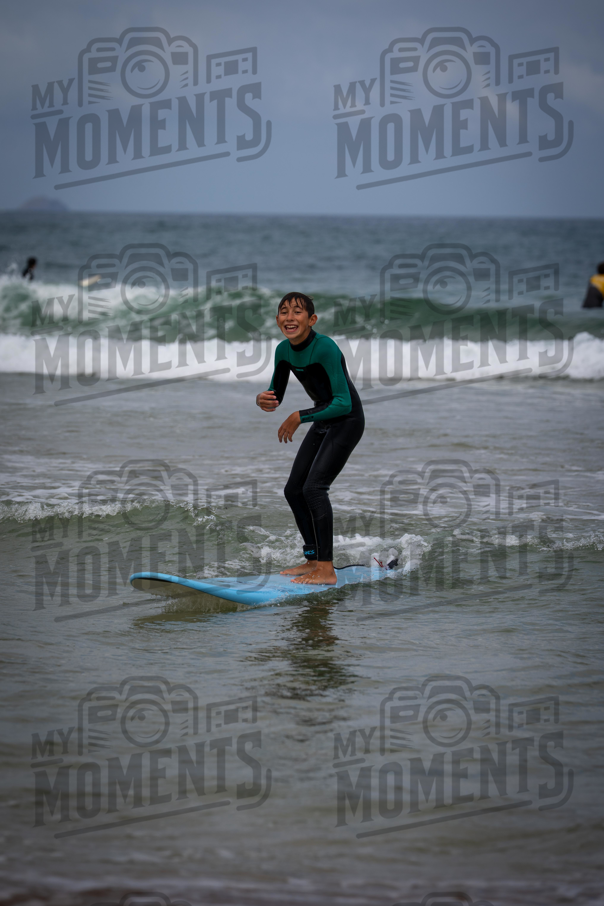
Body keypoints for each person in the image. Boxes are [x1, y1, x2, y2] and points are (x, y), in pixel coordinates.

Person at [256, 292, 364, 585]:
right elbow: (274, 395)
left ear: (311, 320)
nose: (289, 317)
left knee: (315, 488)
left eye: (297, 312)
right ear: (278, 320)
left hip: (346, 421)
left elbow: (344, 402)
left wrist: (298, 417)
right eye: (283, 312)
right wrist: (263, 400)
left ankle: (327, 570)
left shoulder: (325, 347)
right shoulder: (283, 351)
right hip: (322, 419)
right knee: (294, 490)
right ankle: (313, 559)